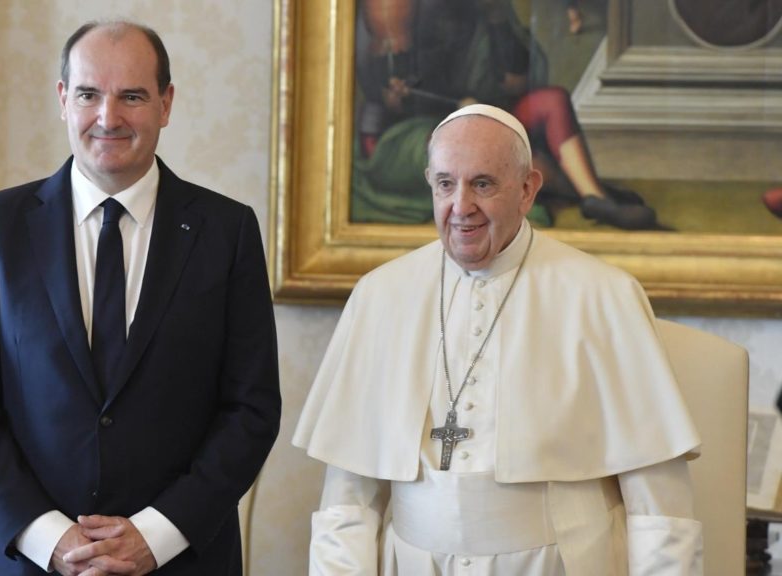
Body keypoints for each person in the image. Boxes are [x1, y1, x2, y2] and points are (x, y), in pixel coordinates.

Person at [294, 104, 702, 575]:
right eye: (445, 184)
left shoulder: (603, 295)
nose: (460, 206)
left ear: (528, 189)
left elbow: (660, 509)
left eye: (482, 184)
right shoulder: (380, 296)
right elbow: (347, 503)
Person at [0, 20, 280, 576]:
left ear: (166, 104)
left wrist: (154, 536)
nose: (108, 117)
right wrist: (51, 537)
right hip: (29, 560)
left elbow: (252, 409)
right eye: (89, 94)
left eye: (132, 96)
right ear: (62, 100)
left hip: (181, 560)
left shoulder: (228, 231)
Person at [353, 0, 657, 230]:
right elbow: (394, 93)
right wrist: (455, 104)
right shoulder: (395, 7)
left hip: (477, 119)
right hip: (404, 138)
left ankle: (594, 198)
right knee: (520, 168)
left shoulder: (482, 7)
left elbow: (515, 80)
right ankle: (584, 190)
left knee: (551, 101)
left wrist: (497, 19)